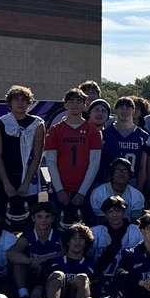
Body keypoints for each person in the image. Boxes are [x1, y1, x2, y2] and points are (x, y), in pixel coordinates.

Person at [42, 87, 103, 219]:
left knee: (84, 228)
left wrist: (82, 192)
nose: (75, 104)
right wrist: (59, 190)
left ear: (84, 105)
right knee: (58, 227)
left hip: (84, 189)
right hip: (60, 189)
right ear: (65, 104)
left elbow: (94, 163)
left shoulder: (93, 131)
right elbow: (51, 162)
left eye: (79, 101)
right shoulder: (55, 130)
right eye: (71, 101)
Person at [0, 85, 45, 220]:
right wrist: (6, 184)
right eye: (16, 99)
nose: (20, 102)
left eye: (24, 99)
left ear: (29, 102)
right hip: (5, 179)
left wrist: (26, 183)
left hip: (29, 180)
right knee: (4, 221)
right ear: (10, 102)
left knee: (30, 220)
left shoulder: (38, 124)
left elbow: (37, 156)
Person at [7, 201, 63, 298]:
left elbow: (64, 253)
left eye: (47, 217)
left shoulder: (58, 235)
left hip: (50, 277)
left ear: (52, 219)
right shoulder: (28, 235)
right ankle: (23, 296)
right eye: (39, 216)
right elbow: (11, 253)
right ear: (33, 218)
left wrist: (43, 260)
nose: (43, 220)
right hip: (31, 273)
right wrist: (31, 261)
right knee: (18, 264)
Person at [43, 223, 96, 298]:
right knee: (57, 274)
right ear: (68, 241)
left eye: (81, 238)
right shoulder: (54, 262)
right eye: (74, 238)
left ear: (86, 242)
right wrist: (36, 292)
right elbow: (41, 282)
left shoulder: (91, 265)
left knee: (82, 277)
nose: (78, 242)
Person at [89, 195, 144, 292]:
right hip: (100, 279)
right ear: (105, 214)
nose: (114, 215)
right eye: (110, 212)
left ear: (123, 212)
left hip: (129, 279)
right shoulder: (95, 233)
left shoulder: (137, 231)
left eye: (118, 211)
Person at [99, 96, 149, 186]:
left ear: (134, 111)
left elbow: (143, 167)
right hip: (109, 181)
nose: (124, 111)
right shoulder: (106, 134)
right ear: (116, 110)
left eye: (128, 108)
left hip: (132, 181)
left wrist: (139, 189)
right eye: (121, 108)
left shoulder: (143, 136)